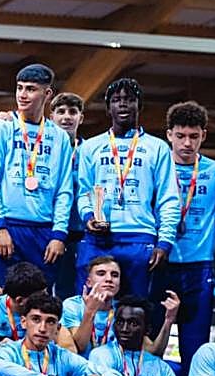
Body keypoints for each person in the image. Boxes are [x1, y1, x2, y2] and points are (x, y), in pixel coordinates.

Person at [152, 101, 215, 376]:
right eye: (180, 136)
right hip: (159, 263)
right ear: (169, 135)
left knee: (196, 347)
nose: (187, 143)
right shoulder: (156, 167)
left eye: (194, 136)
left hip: (198, 268)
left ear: (203, 136)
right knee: (152, 340)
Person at [76, 77, 179, 297]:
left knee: (136, 308)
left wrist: (165, 242)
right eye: (116, 100)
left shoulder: (158, 147)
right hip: (99, 238)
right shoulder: (91, 147)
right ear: (108, 108)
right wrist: (88, 217)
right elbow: (84, 191)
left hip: (139, 237)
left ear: (139, 106)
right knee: (91, 304)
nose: (123, 104)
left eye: (130, 99)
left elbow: (168, 198)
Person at [0, 63, 74, 289]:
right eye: (19, 88)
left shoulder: (59, 137)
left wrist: (59, 234)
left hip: (44, 230)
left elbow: (64, 190)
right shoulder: (1, 128)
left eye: (31, 89)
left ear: (47, 94)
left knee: (39, 298)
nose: (22, 95)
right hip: (8, 226)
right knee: (3, 296)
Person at [59, 255, 177, 358]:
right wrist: (90, 312)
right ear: (89, 282)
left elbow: (153, 352)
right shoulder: (72, 305)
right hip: (80, 371)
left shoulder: (124, 309)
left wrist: (168, 321)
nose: (109, 279)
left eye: (115, 275)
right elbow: (80, 347)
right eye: (101, 274)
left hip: (114, 371)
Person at [50, 91, 85, 296]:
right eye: (61, 111)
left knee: (74, 288)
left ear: (81, 117)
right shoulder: (44, 148)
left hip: (80, 230)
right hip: (50, 228)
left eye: (72, 112)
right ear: (51, 116)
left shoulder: (90, 150)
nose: (66, 117)